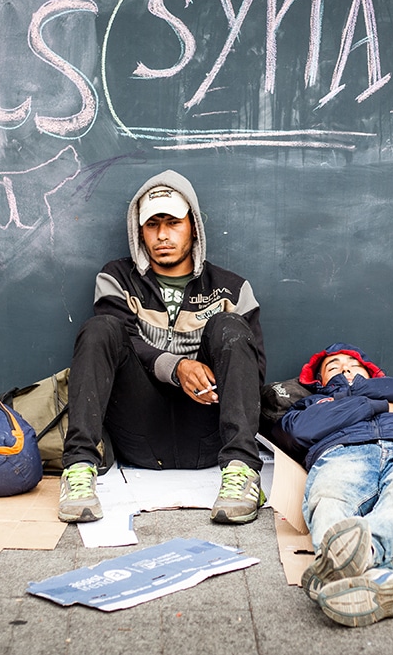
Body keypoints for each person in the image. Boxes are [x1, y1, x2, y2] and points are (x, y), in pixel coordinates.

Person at [58, 170, 267, 525]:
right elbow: (123, 338)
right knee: (100, 328)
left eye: (173, 222)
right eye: (152, 225)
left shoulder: (231, 288)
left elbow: (253, 372)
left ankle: (242, 472)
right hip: (139, 433)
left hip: (208, 431)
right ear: (139, 231)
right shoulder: (117, 278)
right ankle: (78, 468)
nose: (163, 235)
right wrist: (176, 367)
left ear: (193, 227)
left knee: (229, 325)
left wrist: (206, 375)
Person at [279, 343, 393, 628]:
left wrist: (356, 390)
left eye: (353, 364)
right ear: (319, 381)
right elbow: (299, 431)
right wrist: (379, 404)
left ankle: (350, 563)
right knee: (329, 497)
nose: (344, 368)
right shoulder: (311, 403)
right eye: (333, 366)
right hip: (344, 450)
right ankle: (382, 578)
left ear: (370, 372)